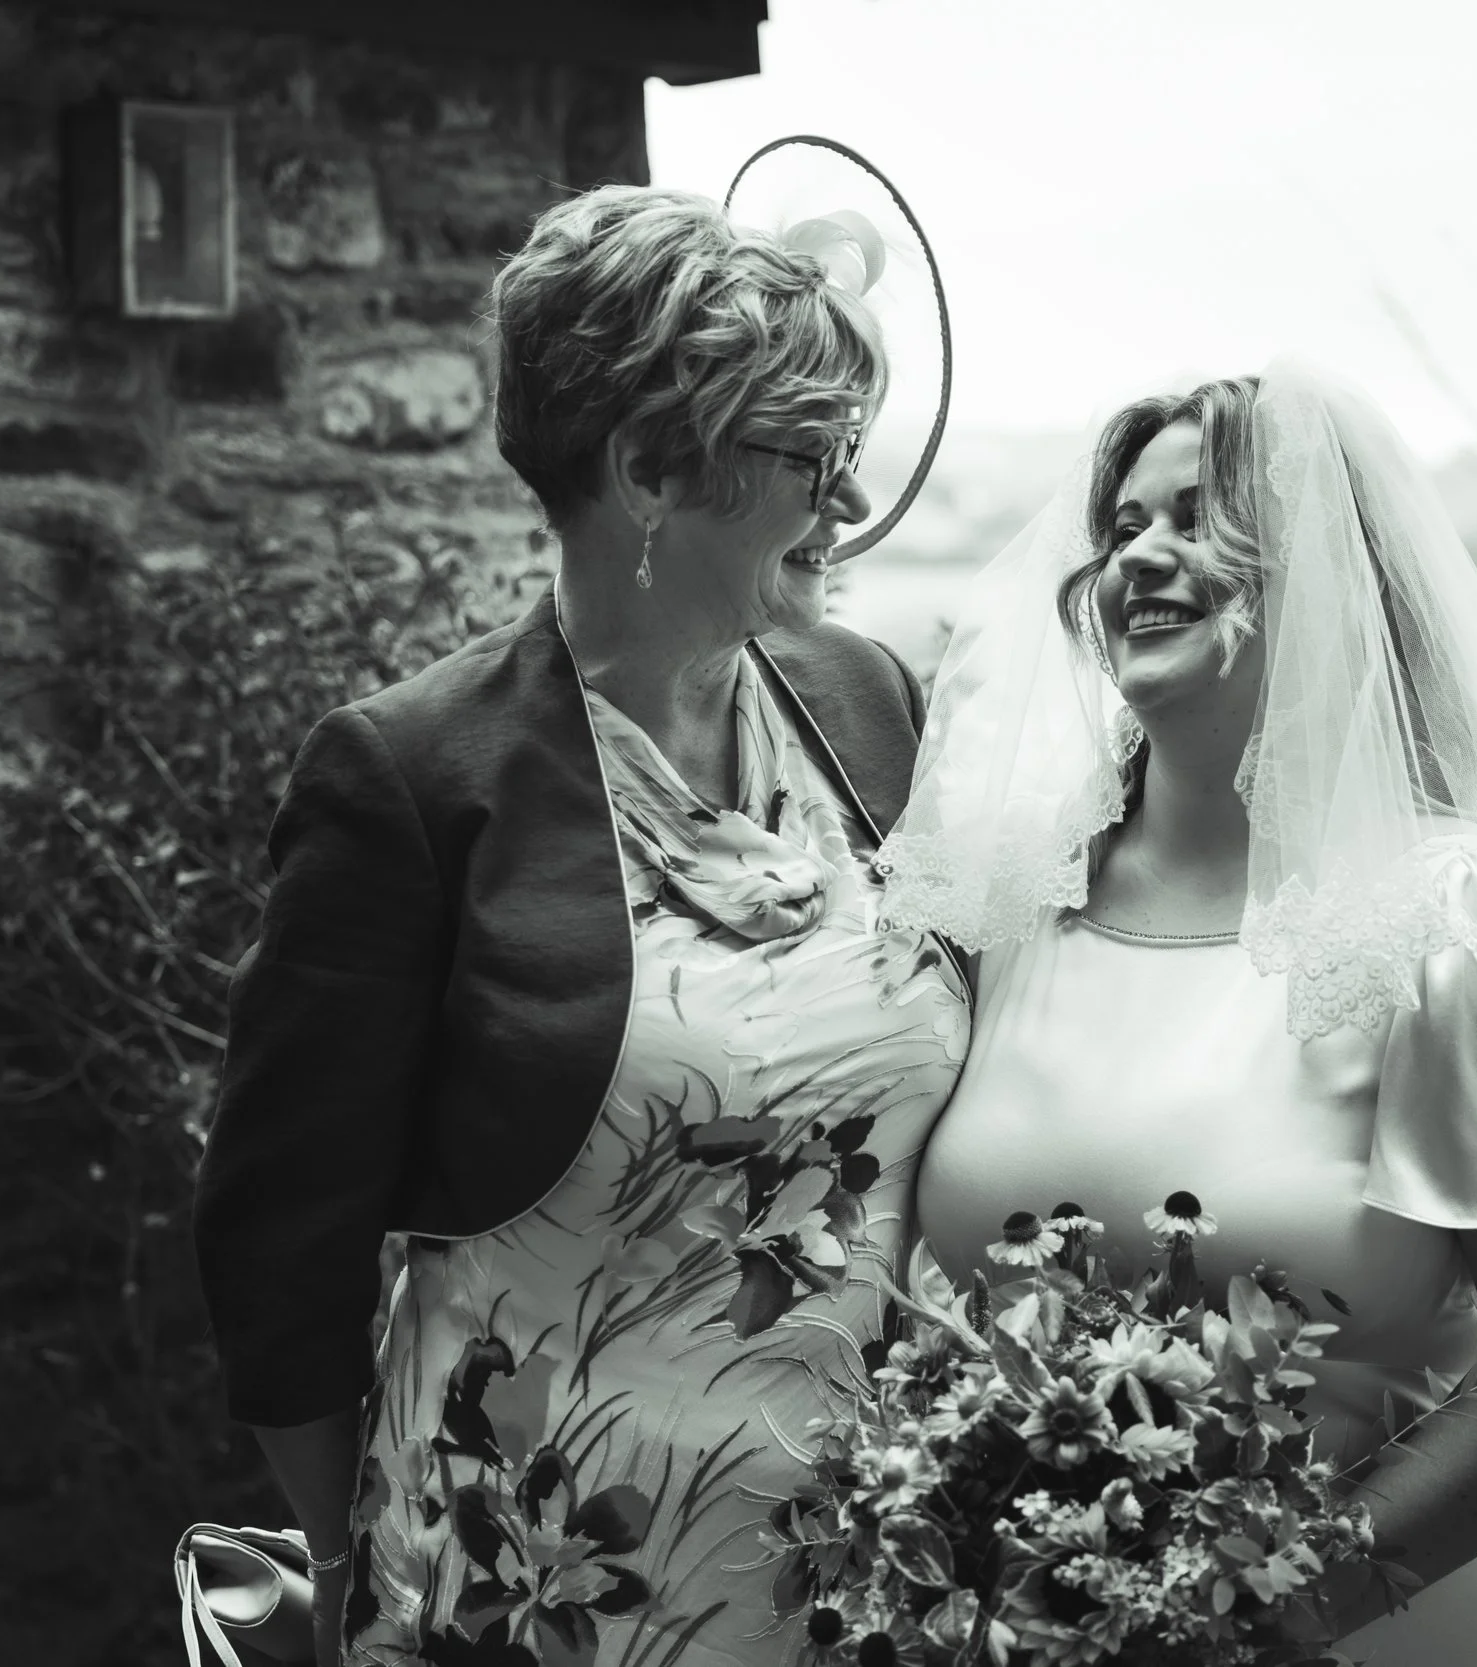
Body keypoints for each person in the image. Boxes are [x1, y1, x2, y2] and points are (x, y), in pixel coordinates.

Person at [192, 185, 971, 1667]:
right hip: (535, 1598)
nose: (849, 503)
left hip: (867, 1582)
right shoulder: (414, 776)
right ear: (647, 472)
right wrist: (372, 1553)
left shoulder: (871, 705)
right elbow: (276, 1241)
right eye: (811, 456)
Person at [882, 365, 1477, 1665]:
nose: (1140, 556)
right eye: (1123, 526)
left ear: (1330, 574)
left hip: (1386, 1626)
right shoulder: (1013, 904)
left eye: (1201, 518)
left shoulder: (1444, 918)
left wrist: (1250, 1615)